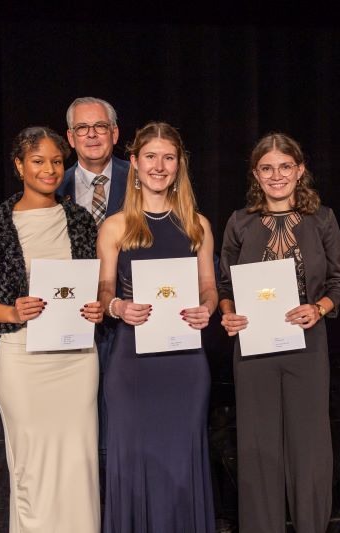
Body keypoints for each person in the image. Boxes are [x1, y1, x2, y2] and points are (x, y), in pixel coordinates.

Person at [0, 126, 102, 532]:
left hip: (76, 359)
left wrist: (95, 308)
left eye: (57, 161)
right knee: (31, 464)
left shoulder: (79, 220)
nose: (49, 169)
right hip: (23, 359)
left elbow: (88, 286)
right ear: (19, 165)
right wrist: (12, 311)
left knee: (79, 462)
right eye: (38, 161)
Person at [218, 133, 340, 533]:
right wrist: (229, 315)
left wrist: (319, 308)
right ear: (256, 174)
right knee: (258, 447)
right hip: (253, 348)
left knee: (309, 448)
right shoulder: (239, 222)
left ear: (300, 169)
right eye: (267, 168)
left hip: (308, 346)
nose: (277, 176)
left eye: (285, 166)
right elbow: (225, 287)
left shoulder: (322, 218)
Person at [97, 121, 216, 532]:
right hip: (132, 365)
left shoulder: (197, 224)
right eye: (151, 156)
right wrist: (117, 307)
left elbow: (208, 288)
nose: (159, 166)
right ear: (134, 162)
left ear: (180, 165)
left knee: (182, 461)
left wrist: (207, 309)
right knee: (134, 463)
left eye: (169, 157)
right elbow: (103, 292)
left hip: (185, 364)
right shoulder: (114, 226)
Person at [59, 96, 129, 468]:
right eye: (82, 128)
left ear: (114, 133)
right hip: (71, 324)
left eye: (100, 126)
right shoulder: (52, 186)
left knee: (125, 423)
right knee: (80, 427)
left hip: (132, 320)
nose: (91, 135)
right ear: (70, 137)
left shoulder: (142, 178)